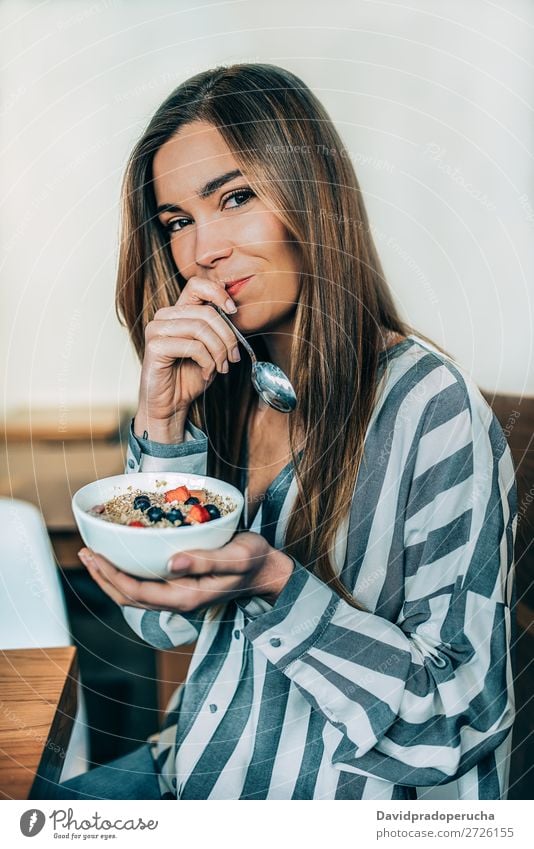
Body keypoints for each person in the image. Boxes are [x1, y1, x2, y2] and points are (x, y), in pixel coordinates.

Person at [41, 63, 517, 801]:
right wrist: (161, 422)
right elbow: (162, 628)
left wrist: (275, 582)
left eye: (235, 198)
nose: (204, 250)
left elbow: (456, 719)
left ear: (310, 195)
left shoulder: (433, 408)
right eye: (178, 222)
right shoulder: (224, 389)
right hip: (197, 767)